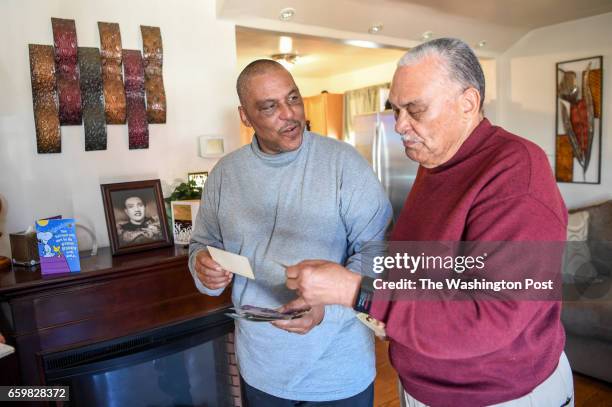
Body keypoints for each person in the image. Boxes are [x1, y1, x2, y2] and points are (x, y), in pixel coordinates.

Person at [281, 38, 574, 407]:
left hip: (499, 396)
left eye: (415, 110)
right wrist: (360, 301)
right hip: (424, 386)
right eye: (396, 109)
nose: (400, 125)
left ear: (468, 103)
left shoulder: (516, 174)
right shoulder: (434, 163)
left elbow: (490, 317)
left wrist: (357, 292)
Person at [188, 59, 392, 406]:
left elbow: (381, 252)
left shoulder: (343, 163)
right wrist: (202, 269)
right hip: (262, 368)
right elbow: (202, 245)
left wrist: (329, 306)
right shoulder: (224, 174)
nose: (290, 114)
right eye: (270, 107)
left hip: (338, 369)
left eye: (293, 98)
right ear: (245, 116)